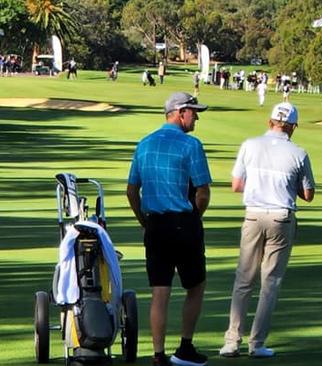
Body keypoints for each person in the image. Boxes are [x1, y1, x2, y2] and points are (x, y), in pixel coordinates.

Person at [219, 102, 315, 359]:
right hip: (281, 218)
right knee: (270, 283)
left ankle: (231, 341)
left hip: (253, 215)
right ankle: (256, 344)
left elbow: (236, 185)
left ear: (269, 121)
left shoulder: (249, 145)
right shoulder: (299, 152)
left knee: (243, 280)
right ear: (293, 127)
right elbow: (308, 194)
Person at [127, 92, 211, 366]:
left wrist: (144, 220)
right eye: (193, 112)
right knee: (195, 286)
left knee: (160, 291)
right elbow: (202, 193)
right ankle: (185, 347)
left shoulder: (144, 144)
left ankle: (158, 355)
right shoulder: (191, 145)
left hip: (155, 225)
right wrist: (193, 218)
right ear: (179, 112)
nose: (196, 116)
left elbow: (131, 190)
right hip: (183, 222)